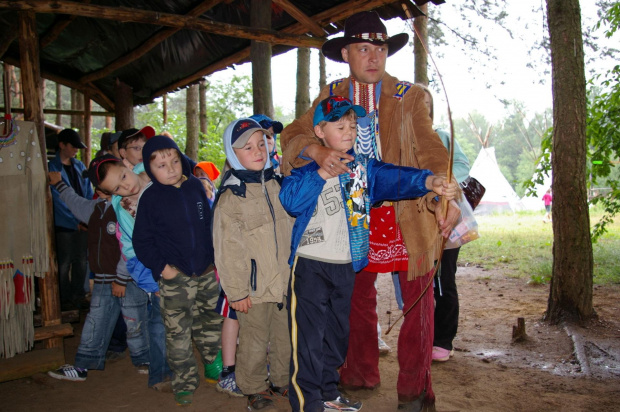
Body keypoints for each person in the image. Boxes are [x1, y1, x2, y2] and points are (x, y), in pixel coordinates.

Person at [280, 11, 460, 411]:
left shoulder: (410, 95)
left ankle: (415, 391)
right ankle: (357, 375)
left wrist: (446, 197)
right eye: (363, 48)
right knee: (353, 300)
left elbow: (432, 151)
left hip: (410, 208)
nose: (374, 56)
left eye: (380, 48)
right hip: (351, 215)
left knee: (419, 301)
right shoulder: (331, 95)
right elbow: (293, 135)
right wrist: (317, 150)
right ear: (346, 53)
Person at [133, 135, 221, 406]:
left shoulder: (196, 186)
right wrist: (162, 268)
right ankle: (184, 380)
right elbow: (142, 241)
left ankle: (211, 362)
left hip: (206, 271)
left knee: (211, 321)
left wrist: (214, 259)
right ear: (150, 170)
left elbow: (208, 225)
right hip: (175, 278)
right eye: (161, 165)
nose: (170, 169)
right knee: (177, 333)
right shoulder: (150, 199)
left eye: (174, 161)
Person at [212, 118, 292, 411]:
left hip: (283, 281)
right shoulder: (232, 198)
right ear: (233, 155)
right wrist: (236, 292)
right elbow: (227, 250)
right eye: (247, 147)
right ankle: (253, 386)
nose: (258, 151)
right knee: (255, 341)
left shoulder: (280, 184)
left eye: (261, 143)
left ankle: (282, 380)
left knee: (285, 337)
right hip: (253, 289)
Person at [46, 156, 150, 382]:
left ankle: (146, 359)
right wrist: (59, 184)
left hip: (128, 278)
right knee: (96, 319)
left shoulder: (127, 206)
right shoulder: (94, 209)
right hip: (103, 278)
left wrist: (122, 278)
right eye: (102, 186)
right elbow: (74, 202)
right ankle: (84, 364)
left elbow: (129, 247)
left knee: (135, 319)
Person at [96, 154, 173, 392]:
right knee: (160, 318)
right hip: (147, 265)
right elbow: (136, 249)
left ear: (127, 166)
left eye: (123, 177)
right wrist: (152, 281)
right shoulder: (124, 208)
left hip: (176, 255)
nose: (126, 186)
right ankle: (160, 374)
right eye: (116, 188)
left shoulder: (152, 171)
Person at [418, 84, 471, 362]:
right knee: (418, 282)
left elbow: (461, 165)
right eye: (416, 102)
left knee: (443, 280)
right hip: (416, 223)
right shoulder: (403, 140)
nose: (421, 107)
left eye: (426, 102)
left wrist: (445, 180)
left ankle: (443, 340)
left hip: (445, 222)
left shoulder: (442, 136)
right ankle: (423, 336)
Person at [48, 128, 93, 311]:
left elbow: (88, 192)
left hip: (82, 223)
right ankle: (64, 298)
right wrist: (76, 220)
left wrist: (88, 216)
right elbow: (57, 200)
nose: (76, 150)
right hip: (64, 225)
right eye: (73, 146)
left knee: (81, 260)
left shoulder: (80, 166)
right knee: (64, 262)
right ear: (62, 145)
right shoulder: (52, 168)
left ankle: (79, 295)